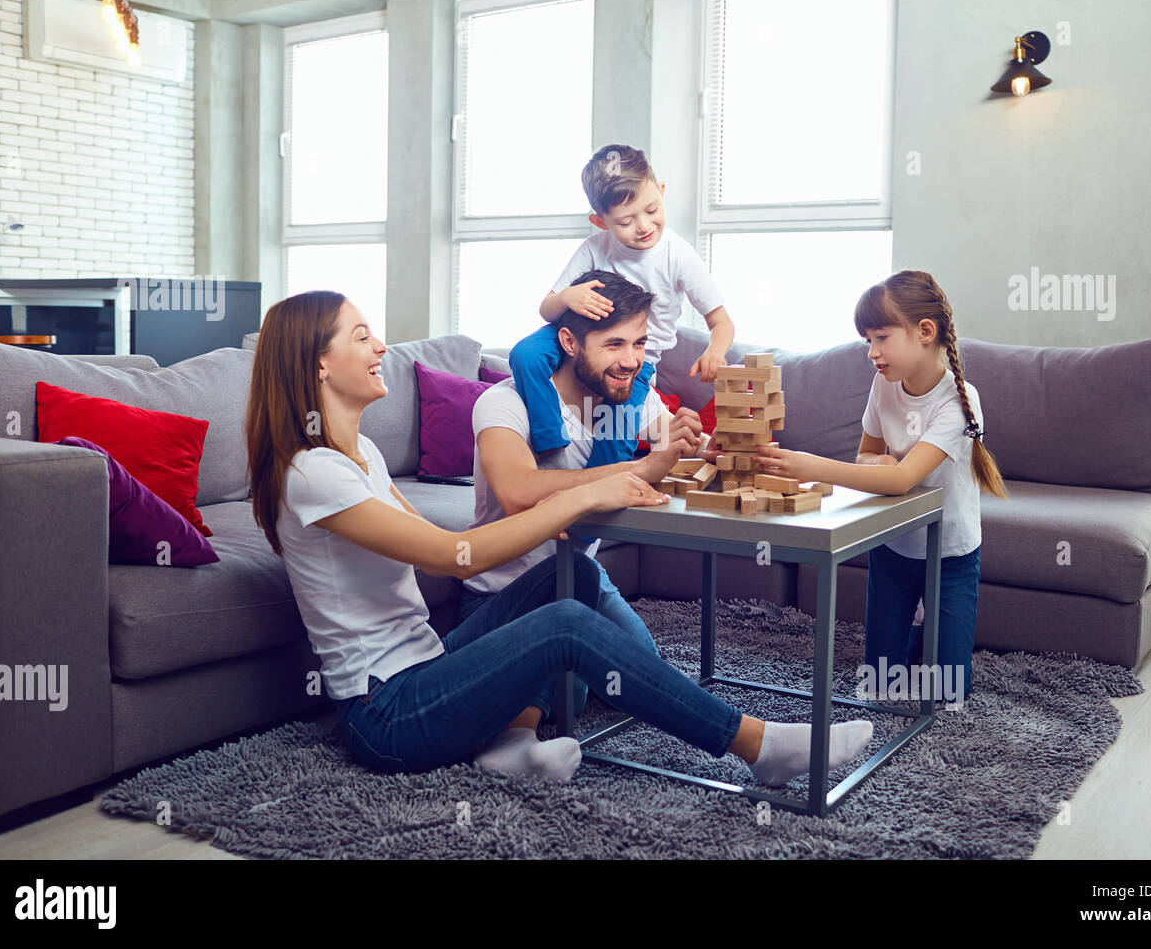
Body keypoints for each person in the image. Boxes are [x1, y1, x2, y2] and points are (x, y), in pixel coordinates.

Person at [245, 290, 874, 787]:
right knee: (568, 625)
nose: (381, 345)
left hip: (427, 665)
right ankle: (759, 746)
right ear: (319, 362)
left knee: (563, 577)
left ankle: (507, 744)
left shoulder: (361, 456)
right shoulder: (313, 472)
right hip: (383, 714)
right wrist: (580, 495)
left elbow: (436, 537)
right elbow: (452, 557)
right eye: (361, 337)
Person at [463, 269, 710, 720]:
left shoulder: (627, 395)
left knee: (643, 671)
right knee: (568, 700)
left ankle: (550, 668)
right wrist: (639, 467)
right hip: (504, 591)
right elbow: (518, 491)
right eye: (614, 345)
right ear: (570, 343)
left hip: (581, 577)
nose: (631, 360)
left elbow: (675, 445)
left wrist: (706, 443)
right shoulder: (504, 403)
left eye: (638, 343)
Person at [751, 271, 1008, 704]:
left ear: (925, 332)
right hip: (893, 546)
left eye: (881, 338)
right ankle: (919, 643)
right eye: (868, 340)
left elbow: (903, 477)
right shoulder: (883, 385)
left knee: (946, 695)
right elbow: (866, 457)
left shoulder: (959, 399)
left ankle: (931, 638)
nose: (872, 352)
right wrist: (878, 462)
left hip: (949, 552)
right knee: (877, 685)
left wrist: (812, 465)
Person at [509, 143, 735, 466]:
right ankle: (549, 439)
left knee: (615, 429)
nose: (643, 226)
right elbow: (547, 309)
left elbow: (722, 322)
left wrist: (715, 351)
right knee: (525, 354)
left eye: (652, 209)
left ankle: (608, 481)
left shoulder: (678, 256)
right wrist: (567, 297)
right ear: (600, 222)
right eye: (626, 221)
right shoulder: (592, 249)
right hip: (577, 342)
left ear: (661, 191)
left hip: (633, 362)